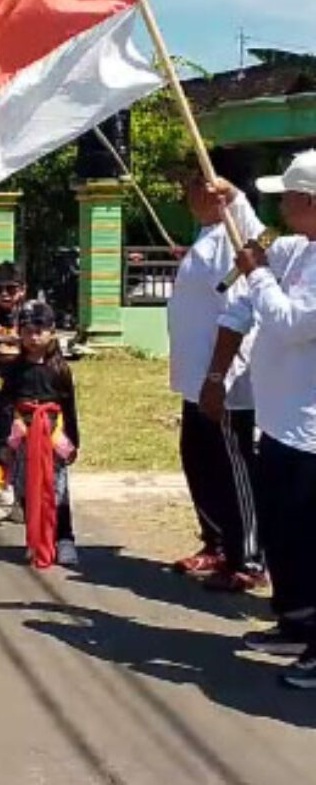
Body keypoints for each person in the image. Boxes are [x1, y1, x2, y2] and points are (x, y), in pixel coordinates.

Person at [203, 150, 316, 688]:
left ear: (310, 202)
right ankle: (293, 623)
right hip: (279, 422)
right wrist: (235, 199)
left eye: (288, 197)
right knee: (282, 533)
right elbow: (254, 246)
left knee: (307, 538)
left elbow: (291, 322)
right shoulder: (296, 248)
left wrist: (260, 276)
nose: (282, 205)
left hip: (310, 431)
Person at [167, 172, 265, 591]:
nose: (187, 193)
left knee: (233, 467)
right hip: (195, 379)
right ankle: (217, 542)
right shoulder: (208, 235)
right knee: (198, 459)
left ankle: (249, 558)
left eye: (193, 186)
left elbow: (257, 243)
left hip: (224, 380)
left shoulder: (231, 228)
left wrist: (236, 197)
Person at [0, 300, 80, 568]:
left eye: (39, 330)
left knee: (58, 490)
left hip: (53, 435)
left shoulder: (60, 369)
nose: (33, 337)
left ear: (52, 331)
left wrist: (74, 441)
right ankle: (36, 538)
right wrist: (3, 442)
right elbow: (5, 406)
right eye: (27, 331)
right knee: (25, 488)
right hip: (24, 436)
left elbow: (69, 407)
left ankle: (64, 539)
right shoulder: (15, 370)